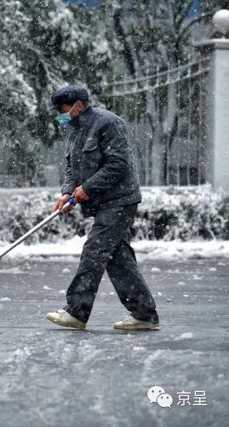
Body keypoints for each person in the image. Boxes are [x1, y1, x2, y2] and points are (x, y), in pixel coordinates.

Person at [45, 85, 160, 330]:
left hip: (120, 200)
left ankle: (76, 311)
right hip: (103, 203)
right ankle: (144, 314)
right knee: (118, 259)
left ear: (77, 105)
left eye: (63, 109)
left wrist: (87, 187)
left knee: (94, 251)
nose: (60, 114)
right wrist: (67, 192)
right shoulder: (74, 130)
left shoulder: (109, 123)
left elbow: (119, 164)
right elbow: (70, 168)